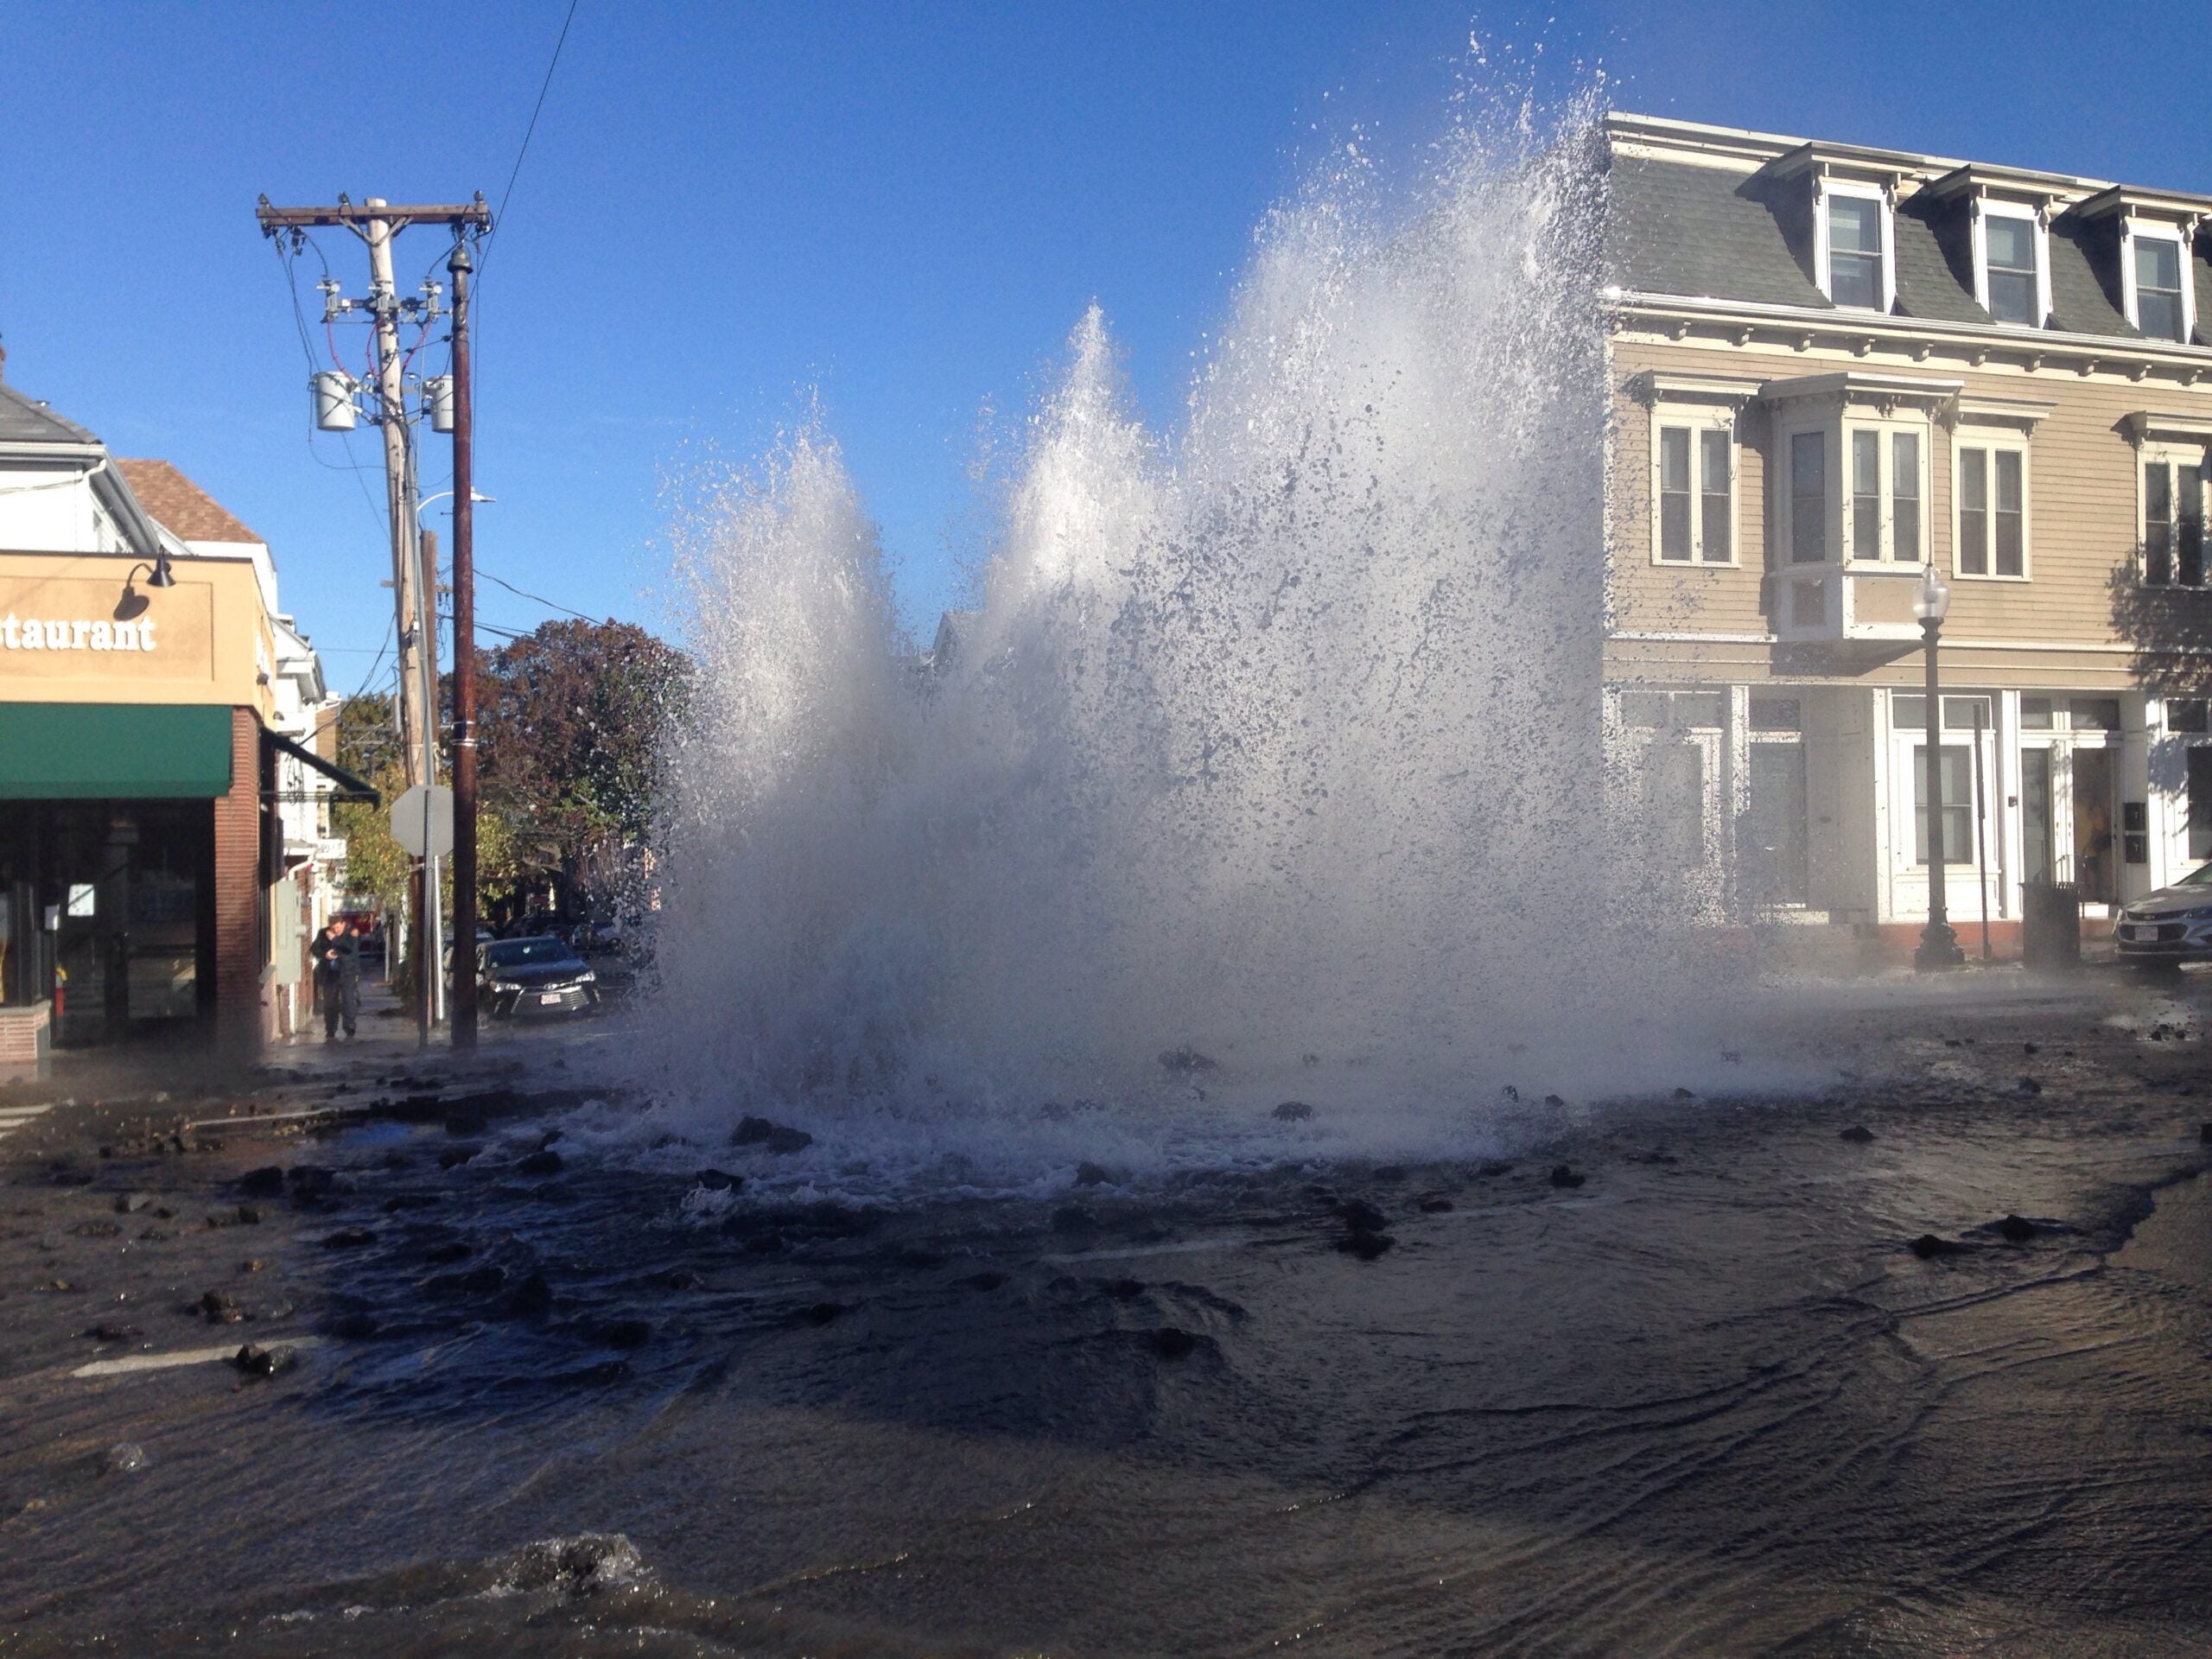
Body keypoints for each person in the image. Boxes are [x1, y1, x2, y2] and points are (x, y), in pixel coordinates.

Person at [309, 916, 361, 1042]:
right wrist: (325, 955)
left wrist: (335, 939)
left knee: (348, 1000)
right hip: (330, 973)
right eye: (333, 928)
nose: (336, 930)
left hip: (347, 973)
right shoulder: (323, 933)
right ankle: (330, 1030)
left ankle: (349, 1028)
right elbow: (314, 948)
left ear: (344, 924)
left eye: (338, 927)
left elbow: (349, 949)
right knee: (330, 1003)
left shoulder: (352, 933)